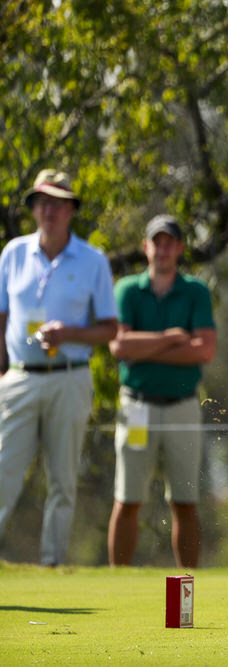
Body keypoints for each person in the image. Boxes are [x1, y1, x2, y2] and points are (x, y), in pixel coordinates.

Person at [0, 169, 117, 566]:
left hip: (69, 377)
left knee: (62, 480)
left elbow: (109, 329)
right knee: (3, 472)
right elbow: (1, 318)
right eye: (41, 202)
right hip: (17, 377)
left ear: (71, 210)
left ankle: (51, 563)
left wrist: (68, 333)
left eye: (57, 203)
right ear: (34, 209)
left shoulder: (93, 260)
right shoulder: (12, 253)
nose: (48, 209)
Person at [106, 215, 217, 568]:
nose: (163, 248)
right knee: (127, 500)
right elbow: (120, 347)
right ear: (146, 247)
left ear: (180, 248)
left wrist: (145, 349)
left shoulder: (196, 291)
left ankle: (189, 583)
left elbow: (203, 350)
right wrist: (171, 338)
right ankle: (117, 582)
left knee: (184, 500)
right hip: (136, 406)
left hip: (182, 406)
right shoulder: (126, 289)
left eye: (170, 241)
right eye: (157, 241)